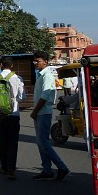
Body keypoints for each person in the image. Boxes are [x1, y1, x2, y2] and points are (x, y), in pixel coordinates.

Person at [30, 51, 70, 181]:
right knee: (40, 143)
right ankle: (47, 169)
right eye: (35, 61)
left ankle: (62, 167)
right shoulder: (41, 75)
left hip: (43, 112)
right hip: (40, 113)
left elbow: (44, 96)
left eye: (38, 61)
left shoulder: (47, 75)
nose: (36, 63)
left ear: (46, 62)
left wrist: (35, 111)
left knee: (44, 143)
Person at [0, 57, 26, 180]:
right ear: (12, 66)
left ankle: (4, 167)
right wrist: (13, 101)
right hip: (13, 114)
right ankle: (11, 169)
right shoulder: (17, 78)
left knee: (3, 141)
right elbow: (22, 97)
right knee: (13, 142)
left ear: (0, 65)